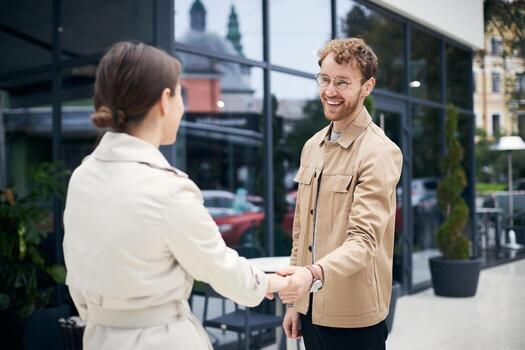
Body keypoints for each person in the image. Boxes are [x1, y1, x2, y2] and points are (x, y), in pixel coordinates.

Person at [62, 41, 288, 350]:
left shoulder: (82, 177)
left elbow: (76, 272)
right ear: (165, 101)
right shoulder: (167, 190)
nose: (182, 106)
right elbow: (220, 269)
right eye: (181, 94)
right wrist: (276, 282)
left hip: (99, 336)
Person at [277, 38, 403, 349]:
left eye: (343, 82)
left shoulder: (380, 151)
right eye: (325, 79)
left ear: (367, 86)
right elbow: (300, 232)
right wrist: (296, 303)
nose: (330, 91)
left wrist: (311, 276)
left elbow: (363, 242)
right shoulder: (311, 147)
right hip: (311, 310)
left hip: (353, 316)